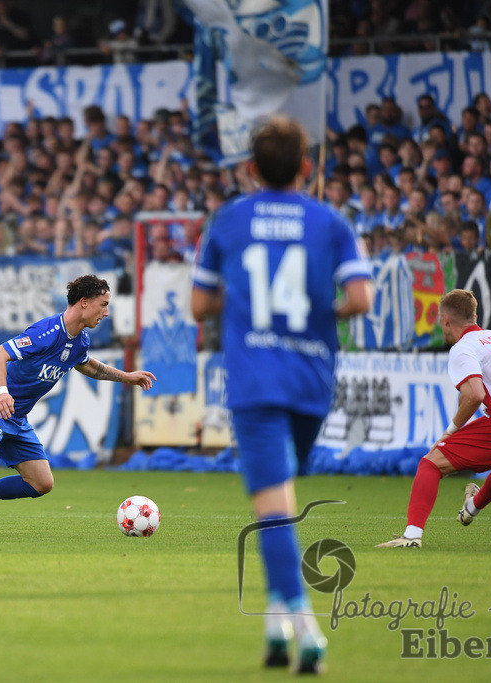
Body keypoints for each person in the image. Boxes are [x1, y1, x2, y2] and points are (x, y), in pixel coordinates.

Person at [191, 116, 373, 674]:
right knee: (281, 499)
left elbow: (199, 307)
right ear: (307, 168)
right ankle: (275, 626)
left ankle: (305, 627)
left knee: (272, 509)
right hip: (312, 380)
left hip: (255, 382)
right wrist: (322, 314)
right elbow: (361, 299)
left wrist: (243, 305)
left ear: (249, 170)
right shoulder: (331, 222)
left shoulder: (227, 221)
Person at [0, 274, 155, 538]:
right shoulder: (47, 332)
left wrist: (127, 376)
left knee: (41, 483)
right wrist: (2, 392)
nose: (107, 312)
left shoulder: (80, 341)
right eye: (103, 304)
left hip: (18, 417)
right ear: (84, 302)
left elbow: (88, 365)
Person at [378, 289, 491, 549]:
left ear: (445, 320)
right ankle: (471, 508)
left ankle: (412, 536)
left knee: (431, 463)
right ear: (475, 315)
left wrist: (450, 431)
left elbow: (473, 394)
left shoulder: (464, 348)